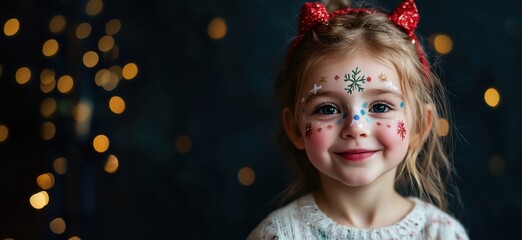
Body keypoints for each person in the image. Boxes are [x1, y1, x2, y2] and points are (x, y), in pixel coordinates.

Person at [248, 0, 469, 239]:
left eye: (381, 106)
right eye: (327, 109)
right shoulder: (278, 235)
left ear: (419, 126)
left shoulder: (441, 234)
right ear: (295, 128)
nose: (355, 127)